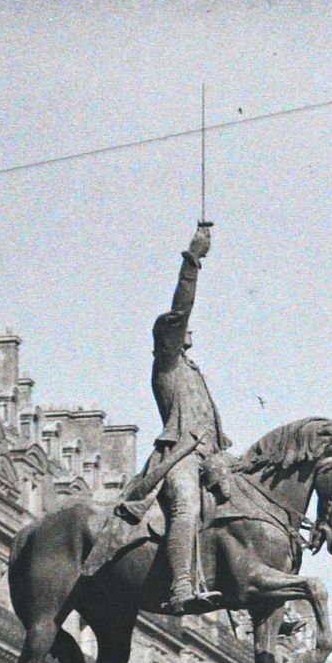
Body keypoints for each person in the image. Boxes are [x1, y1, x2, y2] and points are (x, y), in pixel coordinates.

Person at [142, 221, 230, 613]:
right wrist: (193, 260)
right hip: (179, 457)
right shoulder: (167, 363)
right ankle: (179, 587)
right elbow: (181, 307)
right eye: (178, 329)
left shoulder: (194, 371)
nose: (186, 329)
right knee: (186, 508)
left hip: (210, 455)